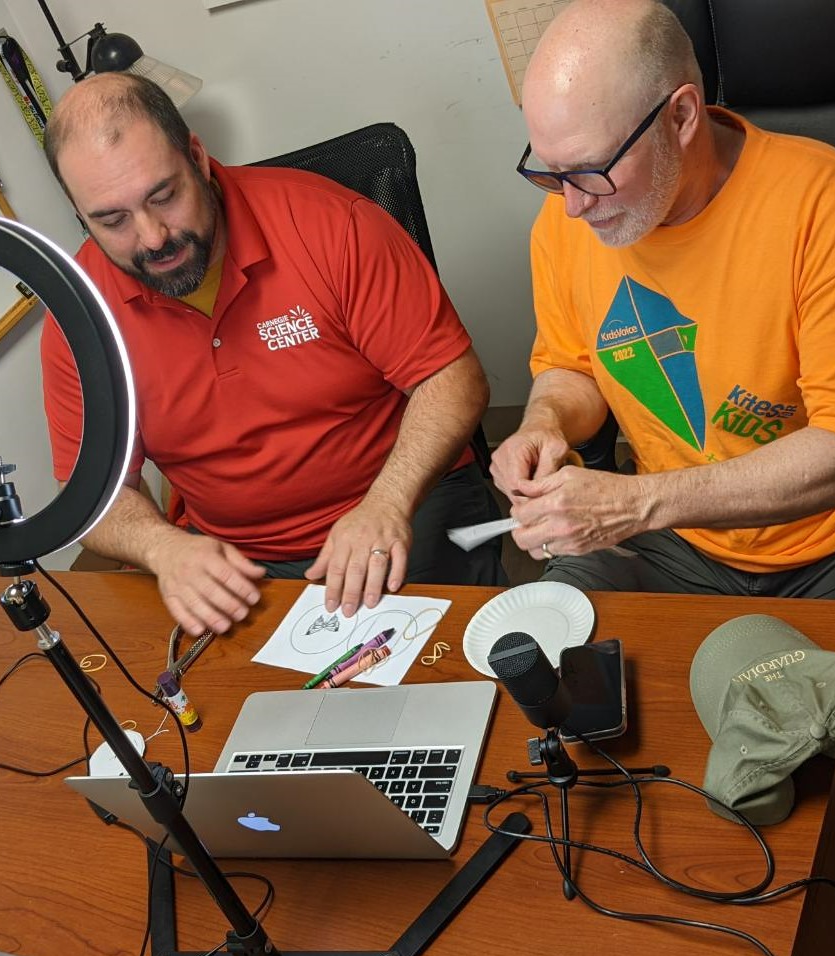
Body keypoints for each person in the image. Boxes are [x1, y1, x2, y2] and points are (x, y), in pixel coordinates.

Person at [490, 2, 835, 956]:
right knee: (530, 707)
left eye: (588, 170)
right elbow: (569, 366)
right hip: (671, 538)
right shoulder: (569, 217)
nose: (569, 202)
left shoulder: (832, 207)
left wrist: (635, 501)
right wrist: (541, 426)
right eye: (546, 170)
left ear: (682, 115)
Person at [40, 73, 504, 637]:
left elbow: (453, 378)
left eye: (164, 196)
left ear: (197, 157)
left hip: (398, 504)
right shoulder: (78, 318)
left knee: (439, 680)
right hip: (235, 558)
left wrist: (386, 504)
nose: (154, 237)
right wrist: (162, 548)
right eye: (112, 220)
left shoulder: (332, 224)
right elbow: (92, 496)